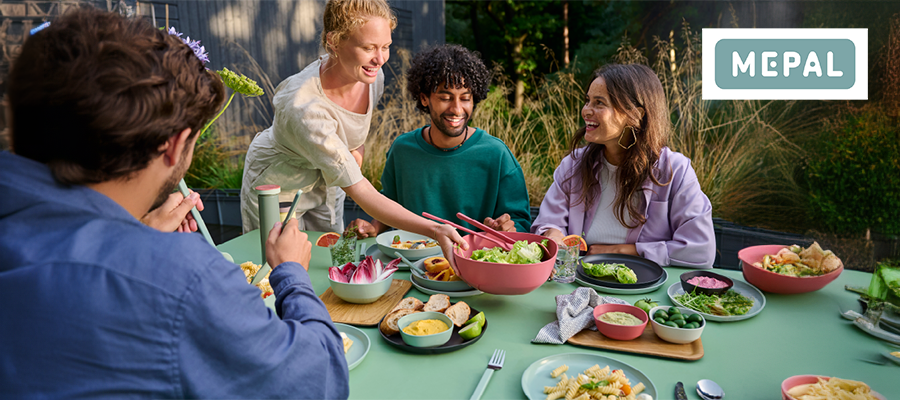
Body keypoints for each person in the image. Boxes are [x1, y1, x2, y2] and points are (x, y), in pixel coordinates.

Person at [0, 7, 349, 398]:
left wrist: (134, 233)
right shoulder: (180, 279)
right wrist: (291, 274)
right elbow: (317, 379)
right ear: (175, 146)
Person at [240, 0, 465, 257]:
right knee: (278, 267)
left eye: (386, 47)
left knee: (330, 258)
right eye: (368, 47)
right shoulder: (304, 106)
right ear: (334, 42)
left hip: (328, 183)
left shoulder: (371, 77)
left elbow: (355, 127)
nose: (379, 59)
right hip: (281, 183)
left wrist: (355, 150)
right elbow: (361, 191)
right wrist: (434, 230)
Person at [531, 63, 715, 269]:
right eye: (587, 101)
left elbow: (701, 250)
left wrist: (625, 251)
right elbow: (547, 223)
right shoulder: (573, 165)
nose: (586, 111)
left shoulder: (675, 171)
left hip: (646, 292)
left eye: (599, 103)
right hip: (579, 283)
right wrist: (553, 235)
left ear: (635, 115)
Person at [349, 44, 532, 238]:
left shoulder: (497, 154)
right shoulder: (402, 150)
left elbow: (521, 222)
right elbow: (390, 205)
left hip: (473, 263)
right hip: (410, 263)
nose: (457, 109)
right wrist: (373, 228)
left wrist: (507, 229)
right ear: (424, 98)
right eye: (445, 97)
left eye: (465, 98)